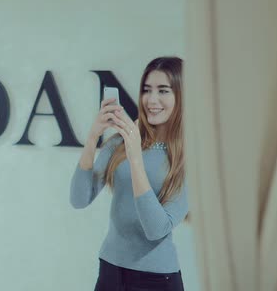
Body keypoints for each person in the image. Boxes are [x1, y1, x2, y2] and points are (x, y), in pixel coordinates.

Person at [70, 57, 188, 291]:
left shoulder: (191, 158)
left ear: (182, 96)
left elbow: (156, 229)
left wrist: (135, 156)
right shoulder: (119, 143)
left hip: (156, 280)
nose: (152, 100)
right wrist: (93, 137)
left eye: (163, 91)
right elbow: (79, 199)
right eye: (146, 90)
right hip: (110, 271)